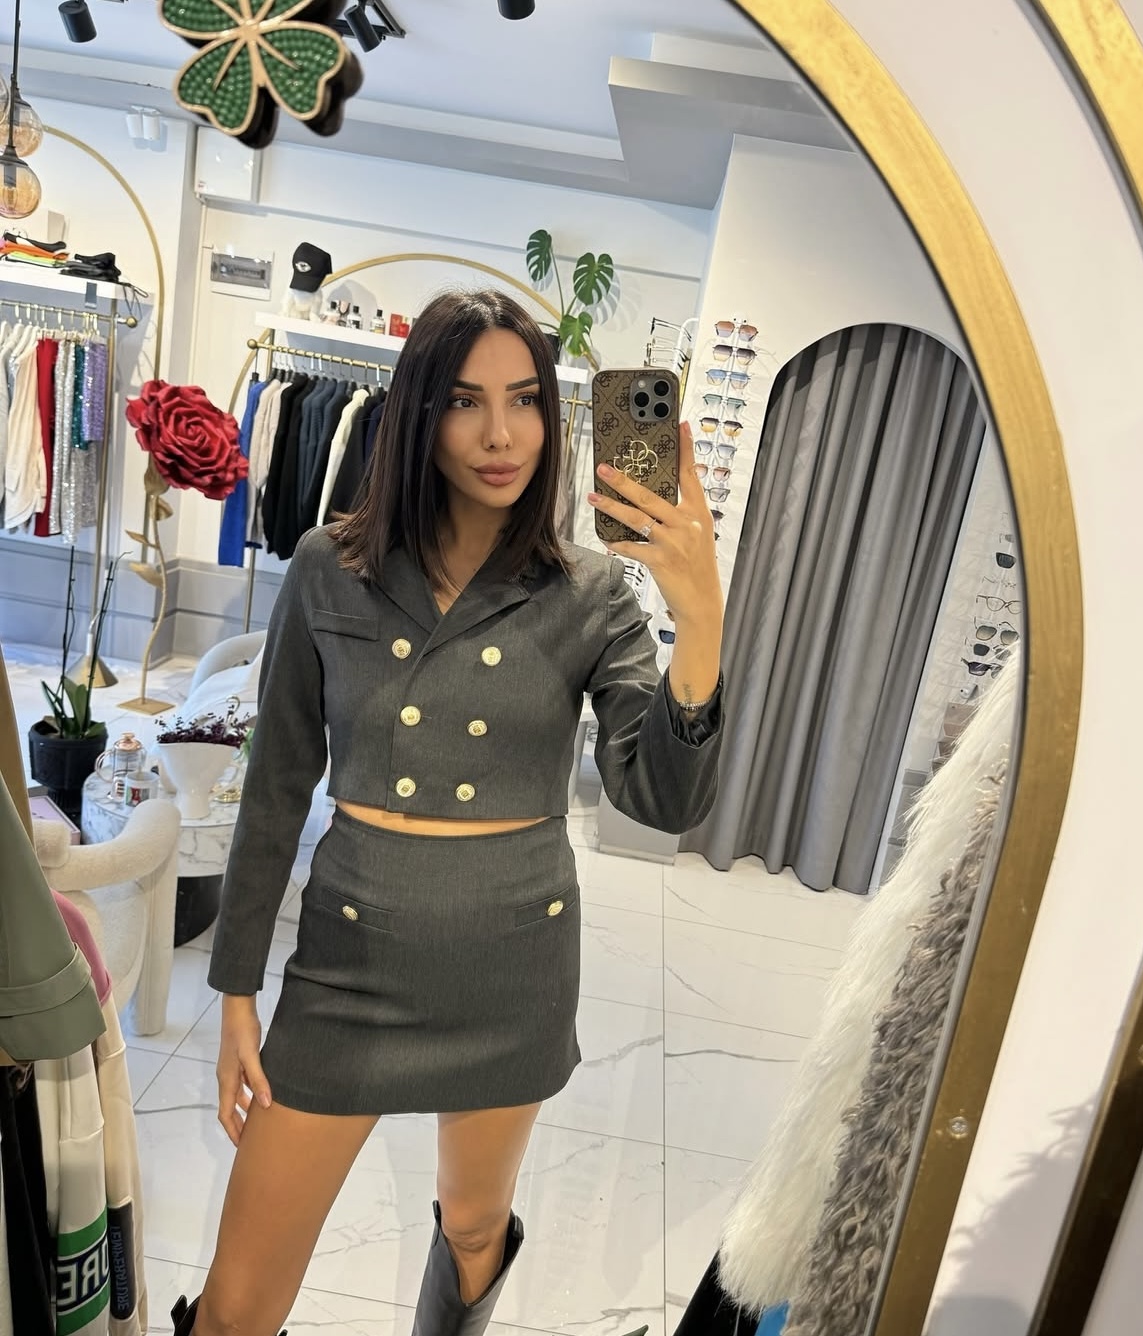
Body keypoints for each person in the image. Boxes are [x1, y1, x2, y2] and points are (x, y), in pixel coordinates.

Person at [172, 289, 725, 1336]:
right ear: (420, 412)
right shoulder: (329, 568)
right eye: (467, 401)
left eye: (525, 400)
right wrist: (237, 990)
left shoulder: (592, 594)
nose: (501, 434)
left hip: (510, 962)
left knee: (474, 1228)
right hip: (348, 960)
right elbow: (277, 787)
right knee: (236, 1304)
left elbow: (660, 798)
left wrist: (699, 622)